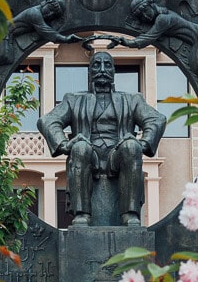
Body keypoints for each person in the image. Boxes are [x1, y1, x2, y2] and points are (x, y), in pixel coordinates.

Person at [37, 52, 166, 227]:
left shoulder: (131, 99)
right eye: (97, 65)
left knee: (131, 147)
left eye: (107, 65)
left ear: (113, 70)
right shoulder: (74, 99)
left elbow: (156, 119)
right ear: (89, 72)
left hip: (118, 153)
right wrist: (65, 144)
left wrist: (142, 143)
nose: (102, 69)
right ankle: (81, 214)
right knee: (80, 148)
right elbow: (47, 120)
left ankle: (130, 214)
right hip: (89, 153)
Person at [122, 0, 198, 83]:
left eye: (145, 11)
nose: (145, 16)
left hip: (197, 37)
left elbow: (149, 37)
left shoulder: (162, 19)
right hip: (196, 36)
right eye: (142, 16)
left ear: (151, 5)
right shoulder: (162, 15)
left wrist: (128, 43)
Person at [0, 0, 81, 70]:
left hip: (9, 35)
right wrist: (65, 39)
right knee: (2, 56)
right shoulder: (34, 13)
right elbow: (46, 31)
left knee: (9, 58)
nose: (50, 14)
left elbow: (47, 31)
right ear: (45, 2)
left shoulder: (38, 15)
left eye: (53, 15)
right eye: (50, 9)